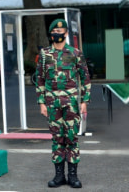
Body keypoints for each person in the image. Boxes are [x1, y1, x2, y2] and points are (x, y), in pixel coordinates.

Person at [35, 19, 91, 188]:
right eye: (55, 32)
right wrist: (41, 103)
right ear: (51, 34)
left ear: (66, 34)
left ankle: (73, 177)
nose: (58, 35)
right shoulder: (44, 54)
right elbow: (40, 79)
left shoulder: (75, 53)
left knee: (72, 139)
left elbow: (85, 78)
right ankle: (59, 176)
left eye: (61, 32)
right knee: (57, 139)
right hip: (52, 104)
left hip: (72, 103)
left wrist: (85, 101)